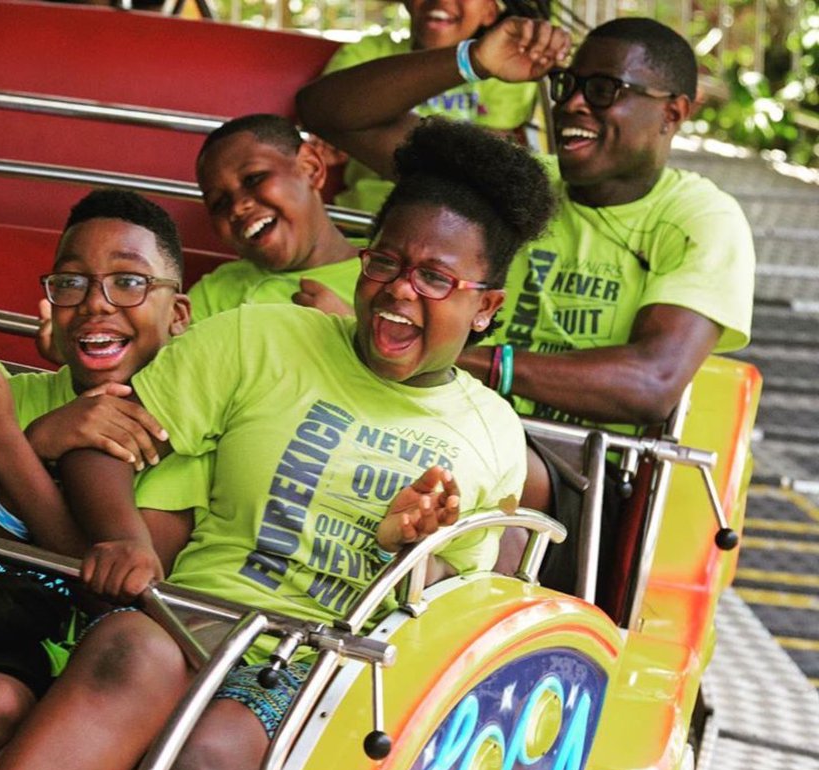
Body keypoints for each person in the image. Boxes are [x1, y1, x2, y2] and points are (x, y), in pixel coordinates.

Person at [0, 119, 555, 770]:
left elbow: (453, 627)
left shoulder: (491, 435)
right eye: (386, 264)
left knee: (219, 749)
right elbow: (104, 438)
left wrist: (412, 559)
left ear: (486, 309)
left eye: (436, 279)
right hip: (191, 620)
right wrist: (120, 537)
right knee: (134, 648)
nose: (400, 291)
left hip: (319, 681)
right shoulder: (264, 335)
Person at [294, 17, 755, 580]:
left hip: (571, 475)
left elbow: (650, 384)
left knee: (487, 483)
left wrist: (426, 347)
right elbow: (328, 113)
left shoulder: (698, 217)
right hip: (430, 424)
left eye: (604, 89)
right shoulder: (521, 190)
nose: (572, 105)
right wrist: (473, 61)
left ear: (674, 112)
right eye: (567, 85)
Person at [0, 187, 208, 770]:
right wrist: (34, 435)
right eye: (71, 283)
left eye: (128, 282)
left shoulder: (187, 433)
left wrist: (10, 446)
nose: (96, 304)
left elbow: (112, 585)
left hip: (89, 688)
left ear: (178, 314)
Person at [298, 0, 543, 213]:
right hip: (364, 215)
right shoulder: (367, 53)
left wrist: (360, 128)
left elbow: (483, 162)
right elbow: (326, 113)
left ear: (490, 11)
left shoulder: (506, 70)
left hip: (457, 222)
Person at [190, 114, 362, 320]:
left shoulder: (390, 275)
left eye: (253, 179)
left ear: (310, 168)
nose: (237, 208)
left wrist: (351, 331)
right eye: (219, 202)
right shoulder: (213, 295)